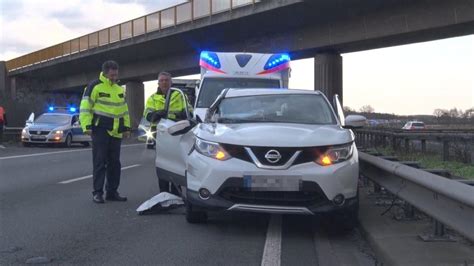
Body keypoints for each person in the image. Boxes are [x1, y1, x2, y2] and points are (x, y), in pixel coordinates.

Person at [79, 60, 131, 204]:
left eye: (116, 74)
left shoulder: (119, 89)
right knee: (100, 162)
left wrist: (126, 128)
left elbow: (124, 110)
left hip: (116, 131)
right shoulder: (94, 86)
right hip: (100, 129)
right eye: (112, 74)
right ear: (105, 73)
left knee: (115, 163)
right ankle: (97, 193)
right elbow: (85, 107)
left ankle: (112, 192)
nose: (114, 77)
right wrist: (86, 126)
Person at [143, 71, 190, 195]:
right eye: (162, 80)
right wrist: (155, 114)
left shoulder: (180, 96)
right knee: (162, 164)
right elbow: (147, 115)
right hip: (160, 135)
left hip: (176, 133)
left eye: (166, 80)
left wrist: (178, 115)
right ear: (158, 83)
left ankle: (177, 194)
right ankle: (163, 194)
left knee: (176, 164)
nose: (164, 82)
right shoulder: (152, 98)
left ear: (171, 82)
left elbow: (189, 112)